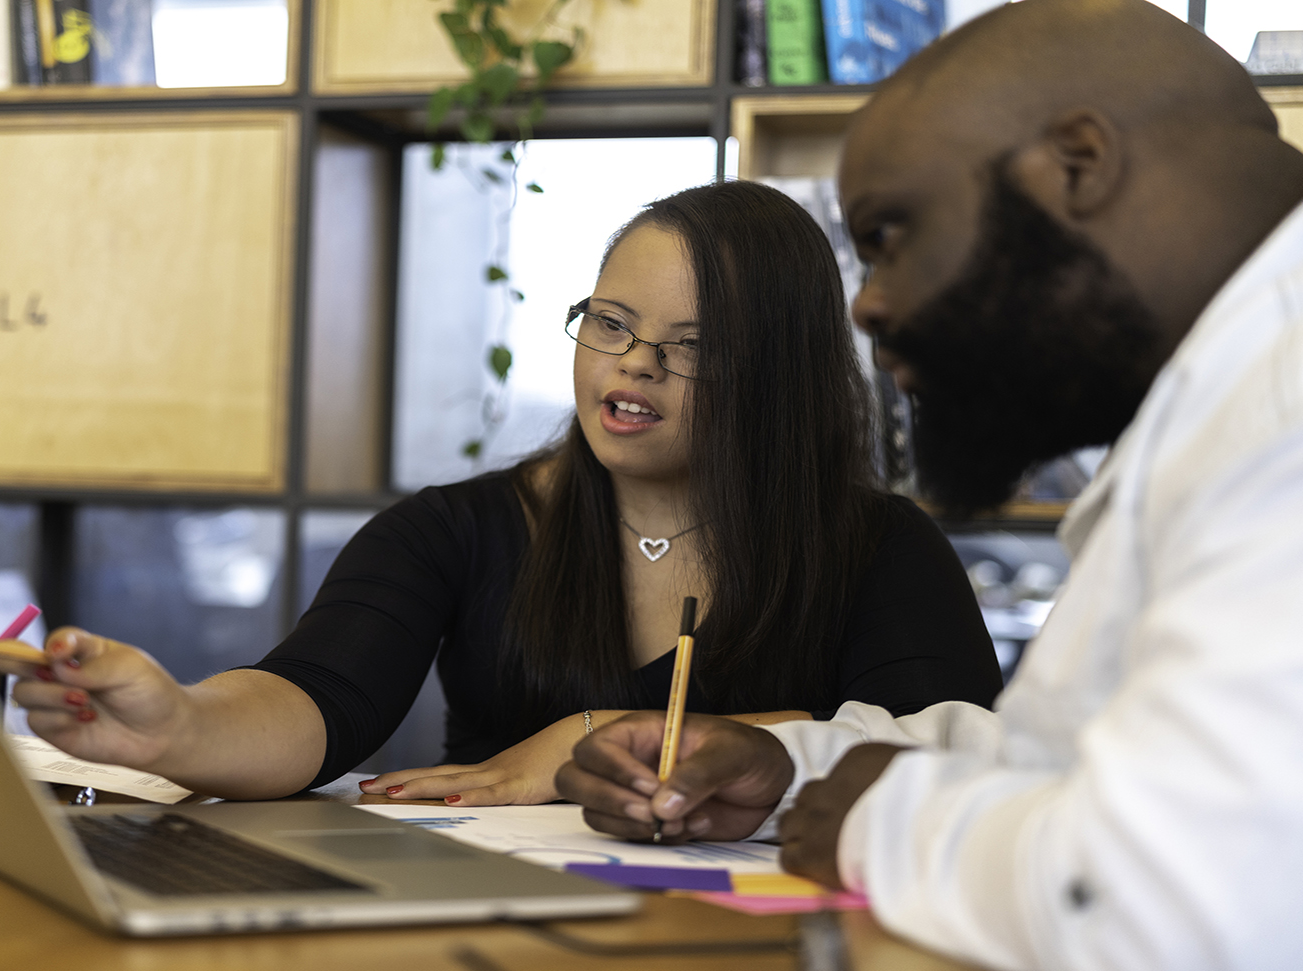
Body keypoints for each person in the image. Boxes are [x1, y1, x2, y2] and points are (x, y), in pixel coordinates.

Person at [557, 2, 1303, 969]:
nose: (868, 305)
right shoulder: (1229, 396)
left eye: (893, 233)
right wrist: (791, 770)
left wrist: (881, 822)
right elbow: (1066, 755)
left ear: (1077, 164)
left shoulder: (1278, 415)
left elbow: (1161, 901)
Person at [0, 180, 1001, 805]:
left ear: (780, 375)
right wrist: (174, 721)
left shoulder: (880, 547)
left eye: (690, 347)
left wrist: (595, 733)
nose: (633, 364)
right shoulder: (455, 529)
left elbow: (954, 757)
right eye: (609, 322)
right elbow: (312, 699)